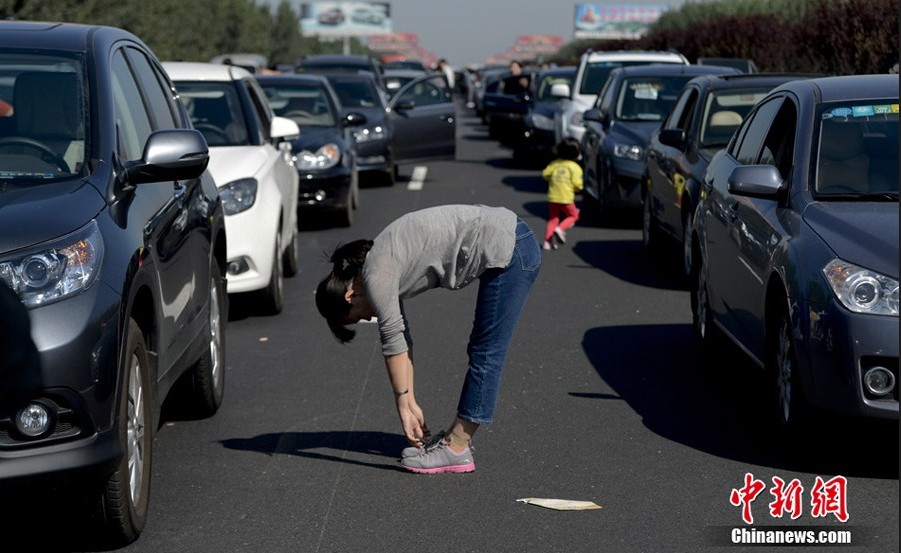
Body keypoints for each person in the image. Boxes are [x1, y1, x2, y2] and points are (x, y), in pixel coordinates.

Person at [315, 204, 541, 474]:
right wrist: (410, 404)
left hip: (511, 249)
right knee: (483, 349)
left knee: (486, 352)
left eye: (358, 318)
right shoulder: (377, 265)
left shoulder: (376, 274)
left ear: (349, 297)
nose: (367, 320)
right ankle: (456, 443)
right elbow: (402, 338)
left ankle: (457, 447)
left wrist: (401, 405)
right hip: (512, 241)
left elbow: (392, 340)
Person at [541, 137, 584, 250]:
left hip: (553, 196)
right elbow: (578, 184)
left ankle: (547, 242)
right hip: (566, 198)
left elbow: (545, 174)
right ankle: (560, 229)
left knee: (553, 219)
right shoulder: (575, 167)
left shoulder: (555, 164)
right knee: (573, 215)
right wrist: (577, 189)